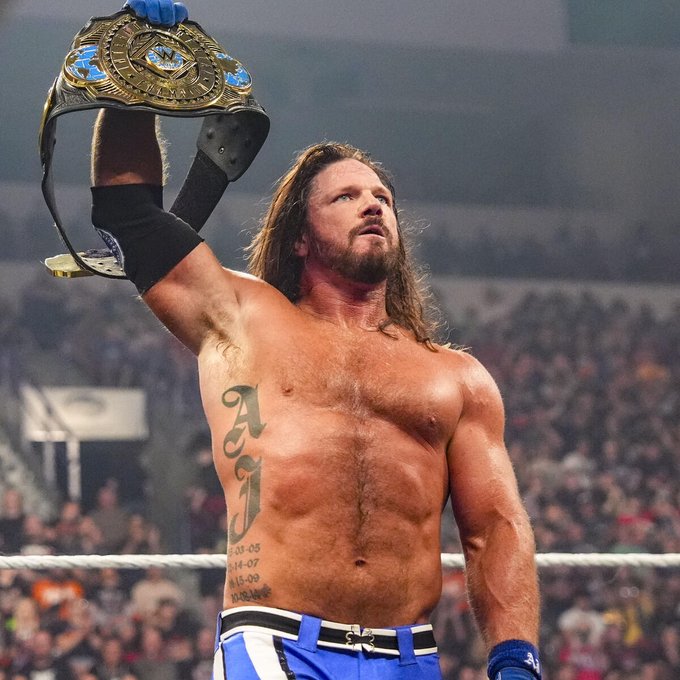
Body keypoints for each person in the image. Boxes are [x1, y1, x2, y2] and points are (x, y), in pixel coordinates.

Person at [87, 2, 541, 677]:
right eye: (345, 197)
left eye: (382, 197)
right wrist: (136, 71)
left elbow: (494, 526)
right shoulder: (242, 318)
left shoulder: (456, 377)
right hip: (274, 643)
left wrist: (515, 658)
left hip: (407, 656)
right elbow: (129, 216)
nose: (372, 204)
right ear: (300, 236)